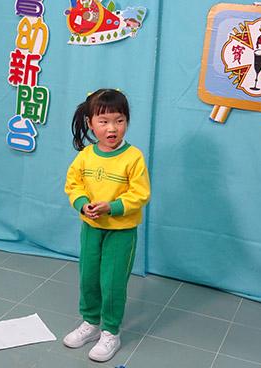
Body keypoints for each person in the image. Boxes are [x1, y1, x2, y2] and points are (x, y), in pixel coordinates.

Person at [63, 89, 151, 362]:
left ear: (127, 121)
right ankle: (90, 323)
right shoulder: (86, 155)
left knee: (112, 283)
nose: (112, 128)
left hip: (121, 232)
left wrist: (112, 207)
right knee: (89, 277)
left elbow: (140, 193)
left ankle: (111, 331)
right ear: (90, 123)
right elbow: (73, 184)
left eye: (119, 120)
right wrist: (82, 204)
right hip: (91, 228)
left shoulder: (133, 157)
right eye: (104, 121)